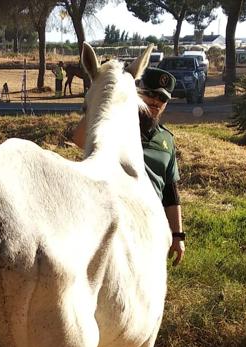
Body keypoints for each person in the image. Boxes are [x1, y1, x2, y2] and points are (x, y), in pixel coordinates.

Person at [72, 67, 185, 266]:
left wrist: (177, 235)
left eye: (162, 98)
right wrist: (106, 100)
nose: (155, 101)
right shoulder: (116, 125)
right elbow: (80, 139)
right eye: (150, 94)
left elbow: (170, 191)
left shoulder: (166, 139)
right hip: (113, 220)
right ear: (137, 92)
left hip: (149, 222)